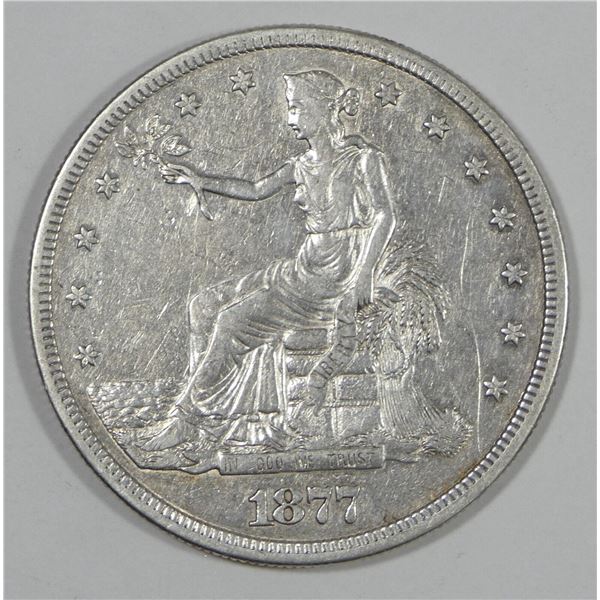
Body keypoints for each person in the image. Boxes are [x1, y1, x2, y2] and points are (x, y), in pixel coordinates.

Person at [140, 69, 396, 452]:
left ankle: (187, 420)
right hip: (300, 272)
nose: (291, 119)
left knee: (230, 321)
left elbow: (384, 215)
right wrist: (201, 180)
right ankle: (212, 413)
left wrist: (364, 276)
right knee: (202, 305)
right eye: (290, 108)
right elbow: (256, 189)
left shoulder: (363, 161)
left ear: (326, 109)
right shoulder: (300, 166)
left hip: (330, 280)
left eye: (297, 107)